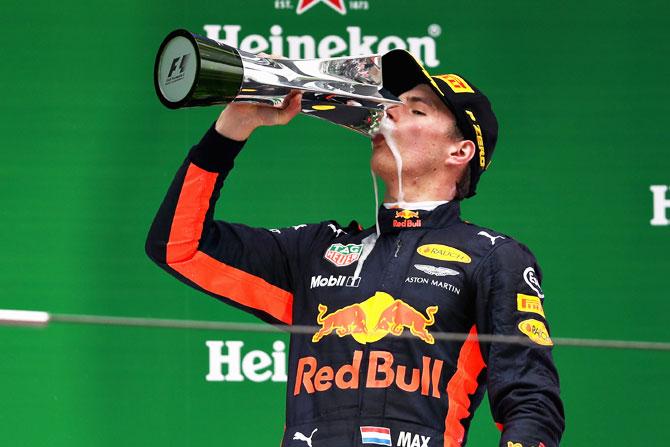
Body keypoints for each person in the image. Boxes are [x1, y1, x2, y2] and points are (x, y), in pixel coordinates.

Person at [146, 49, 564, 447]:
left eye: (416, 109)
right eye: (392, 102)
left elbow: (531, 403)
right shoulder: (315, 251)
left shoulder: (493, 256)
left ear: (461, 151)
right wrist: (232, 129)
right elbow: (179, 246)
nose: (390, 111)